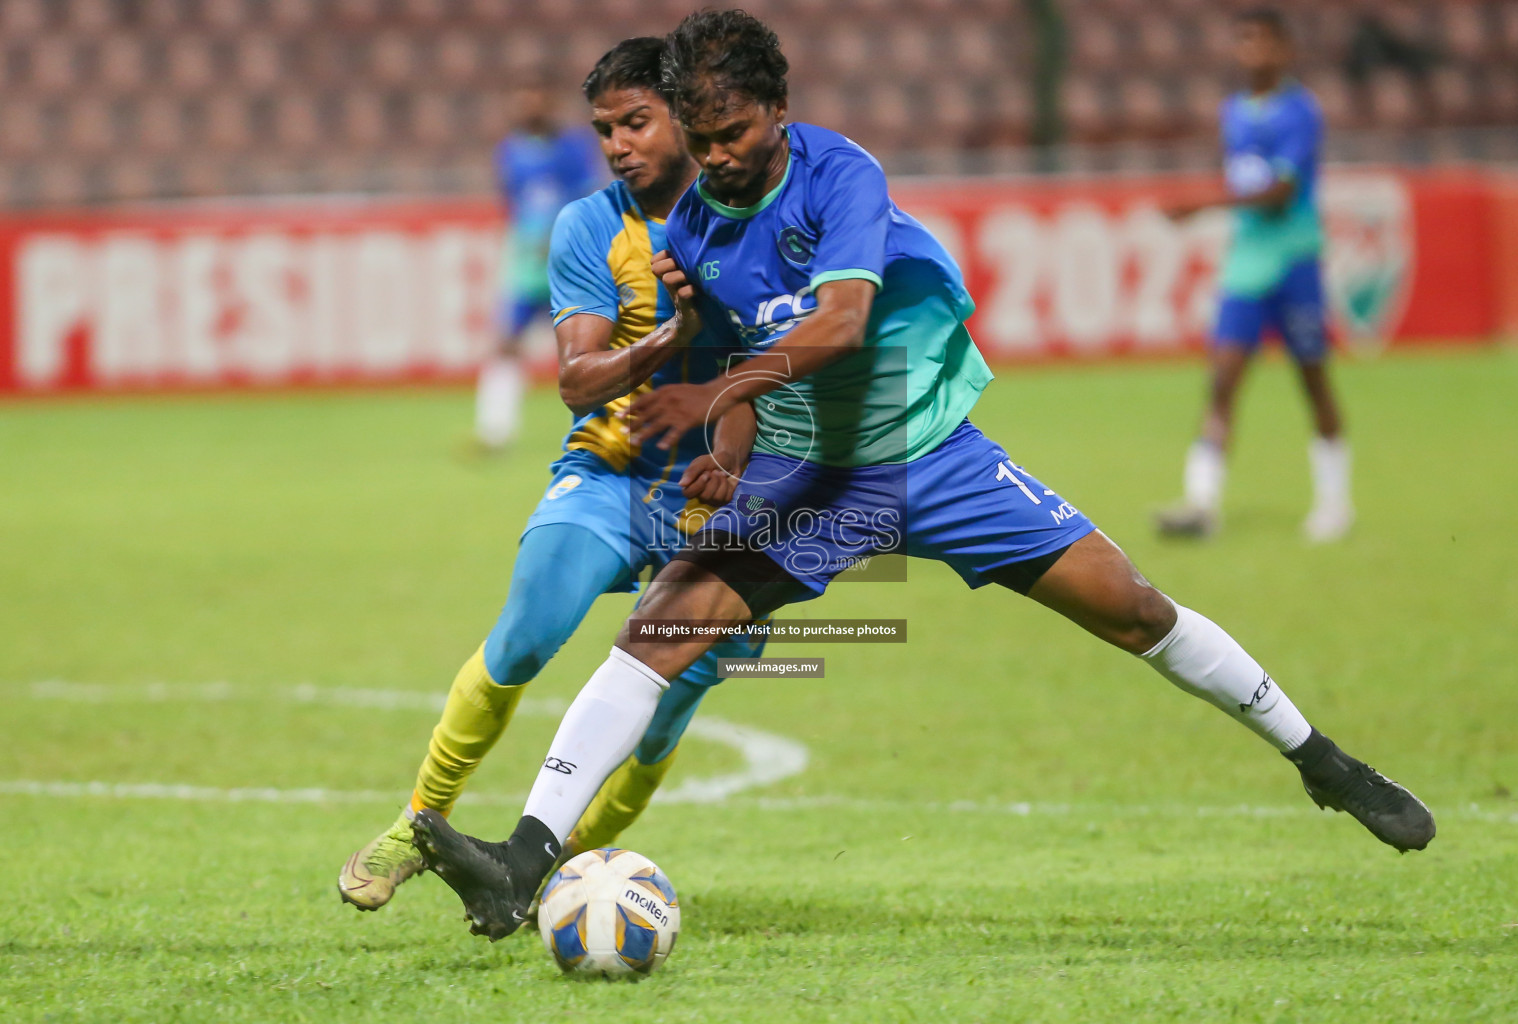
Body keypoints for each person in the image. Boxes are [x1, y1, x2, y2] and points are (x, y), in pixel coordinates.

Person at [410, 10, 1433, 941]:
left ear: (778, 110)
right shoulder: (692, 234)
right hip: (810, 480)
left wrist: (723, 395)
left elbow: (842, 322)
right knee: (658, 634)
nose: (716, 158)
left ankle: (1324, 763)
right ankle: (523, 856)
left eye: (733, 135)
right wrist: (724, 453)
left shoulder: (839, 174)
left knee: (1131, 607)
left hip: (933, 456)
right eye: (702, 137)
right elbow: (739, 376)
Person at [338, 37, 762, 912]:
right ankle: (417, 824)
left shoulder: (755, 220)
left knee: (666, 706)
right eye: (605, 129)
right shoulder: (590, 226)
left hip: (717, 504)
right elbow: (575, 378)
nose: (618, 145)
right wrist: (669, 340)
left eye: (636, 123)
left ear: (685, 116)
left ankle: (544, 874)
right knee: (526, 637)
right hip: (608, 475)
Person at [1158, 8, 1351, 542]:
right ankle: (1201, 504)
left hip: (1293, 259)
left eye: (1263, 42)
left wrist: (1203, 204)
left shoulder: (1300, 112)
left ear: (1285, 49)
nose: (1253, 52)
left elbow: (1279, 194)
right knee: (1222, 380)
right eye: (1244, 41)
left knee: (1312, 378)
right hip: (1246, 262)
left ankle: (1335, 503)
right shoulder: (1234, 112)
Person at [474, 81, 603, 451]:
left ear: (550, 105)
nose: (528, 110)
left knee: (579, 348)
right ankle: (495, 431)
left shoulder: (574, 147)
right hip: (526, 267)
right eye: (521, 102)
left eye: (535, 102)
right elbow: (514, 205)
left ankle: (590, 431)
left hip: (569, 264)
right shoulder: (510, 151)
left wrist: (562, 238)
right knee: (506, 343)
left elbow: (588, 197)